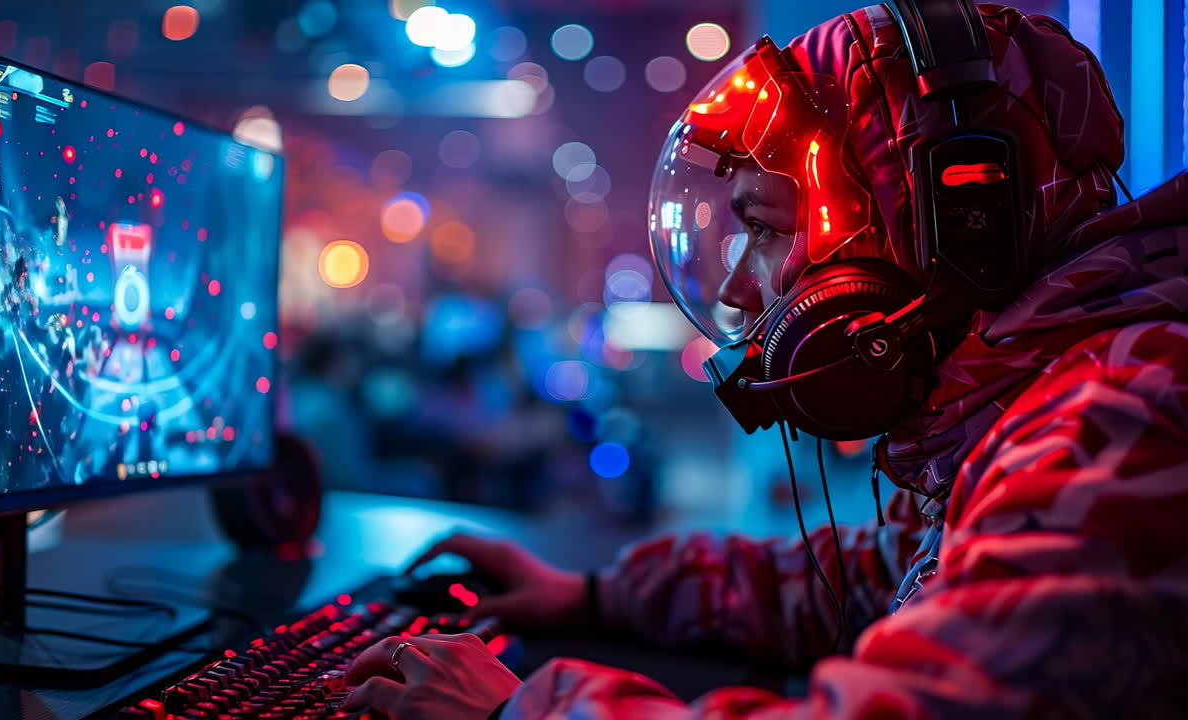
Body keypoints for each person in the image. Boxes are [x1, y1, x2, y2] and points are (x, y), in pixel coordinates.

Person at [342, 3, 1188, 718]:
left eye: (769, 229)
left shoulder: (1115, 424)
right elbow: (874, 575)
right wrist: (594, 595)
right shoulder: (1040, 405)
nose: (746, 293)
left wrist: (521, 707)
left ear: (962, 226)